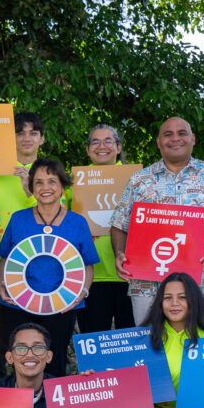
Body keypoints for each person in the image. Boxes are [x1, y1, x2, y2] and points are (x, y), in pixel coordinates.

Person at [110, 116, 204, 323]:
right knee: (151, 349)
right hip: (147, 286)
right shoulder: (139, 180)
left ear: (193, 139)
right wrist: (119, 252)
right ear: (158, 142)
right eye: (167, 134)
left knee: (195, 347)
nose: (175, 139)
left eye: (182, 133)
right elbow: (119, 224)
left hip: (199, 282)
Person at [0, 158, 98, 378]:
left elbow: (87, 265)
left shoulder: (77, 222)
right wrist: (2, 285)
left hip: (63, 304)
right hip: (18, 303)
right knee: (20, 360)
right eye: (39, 182)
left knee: (55, 359)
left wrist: (83, 292)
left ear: (62, 187)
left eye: (52, 181)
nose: (45, 188)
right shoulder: (18, 219)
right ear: (31, 188)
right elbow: (5, 258)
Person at [0, 112, 47, 381]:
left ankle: (44, 394)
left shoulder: (51, 173)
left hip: (42, 272)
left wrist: (30, 189)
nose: (27, 138)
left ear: (42, 139)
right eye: (20, 132)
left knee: (40, 334)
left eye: (33, 132)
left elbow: (57, 219)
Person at [72, 124, 136, 334]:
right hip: (91, 275)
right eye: (95, 141)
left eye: (108, 141)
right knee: (94, 344)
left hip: (131, 274)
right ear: (88, 149)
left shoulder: (137, 180)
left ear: (118, 147)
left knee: (134, 345)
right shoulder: (74, 183)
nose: (102, 146)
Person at [144, 271, 204, 408]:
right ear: (160, 302)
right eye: (168, 298)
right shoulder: (144, 339)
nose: (174, 303)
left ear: (193, 300)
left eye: (182, 297)